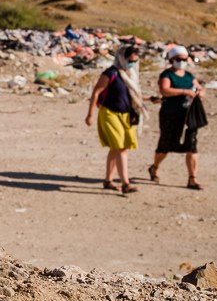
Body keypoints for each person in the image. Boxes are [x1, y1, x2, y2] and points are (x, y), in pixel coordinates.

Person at [85, 44, 149, 194]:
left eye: (135, 61)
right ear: (122, 58)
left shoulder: (131, 75)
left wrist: (150, 99)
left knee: (117, 147)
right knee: (121, 147)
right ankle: (126, 183)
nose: (132, 63)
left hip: (126, 115)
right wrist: (90, 115)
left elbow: (133, 94)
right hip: (110, 113)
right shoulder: (110, 73)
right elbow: (96, 93)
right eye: (130, 60)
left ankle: (108, 180)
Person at [147, 45, 204, 190]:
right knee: (165, 145)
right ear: (172, 59)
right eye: (179, 59)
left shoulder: (189, 76)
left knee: (192, 145)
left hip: (188, 115)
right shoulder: (167, 75)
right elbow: (164, 90)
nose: (182, 62)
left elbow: (200, 88)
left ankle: (192, 178)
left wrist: (199, 93)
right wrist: (185, 91)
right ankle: (154, 166)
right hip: (170, 114)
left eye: (185, 59)